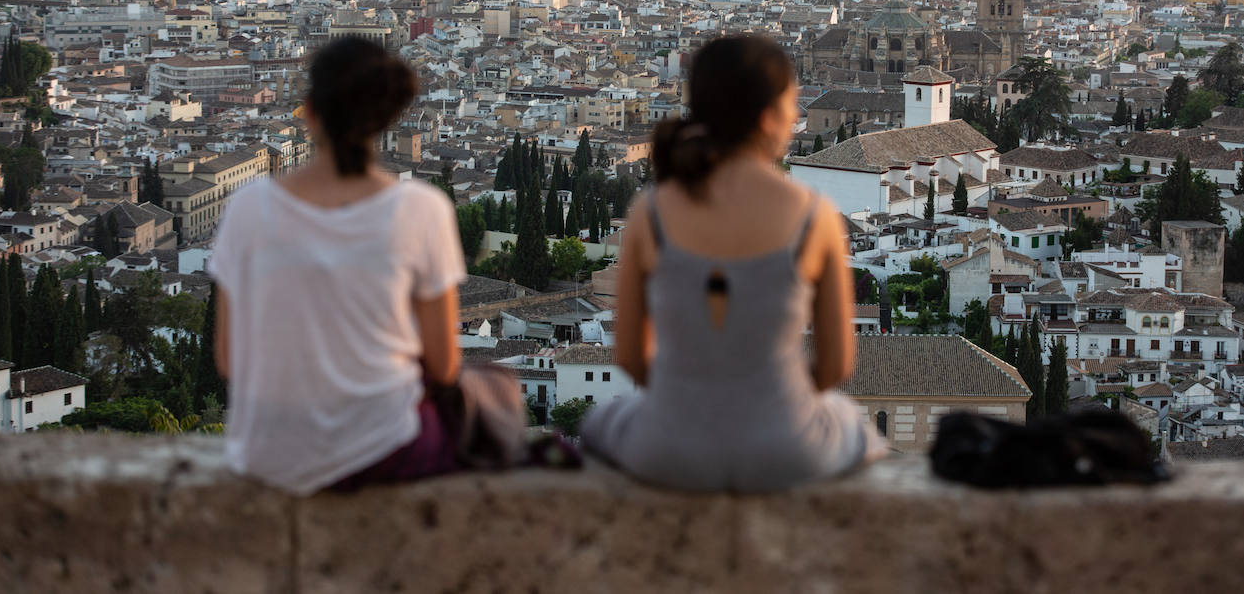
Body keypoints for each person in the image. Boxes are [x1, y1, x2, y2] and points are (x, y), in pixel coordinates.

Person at [209, 37, 530, 495]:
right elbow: (443, 366)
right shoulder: (421, 208)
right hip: (386, 449)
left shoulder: (248, 207)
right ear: (385, 121)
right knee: (493, 388)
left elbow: (228, 358)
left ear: (310, 112)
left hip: (269, 454)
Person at [582, 34, 882, 491]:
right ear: (768, 116)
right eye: (792, 104)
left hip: (670, 445)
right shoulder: (812, 215)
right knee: (853, 423)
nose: (796, 117)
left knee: (602, 419)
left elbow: (630, 356)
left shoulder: (653, 211)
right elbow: (836, 366)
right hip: (784, 446)